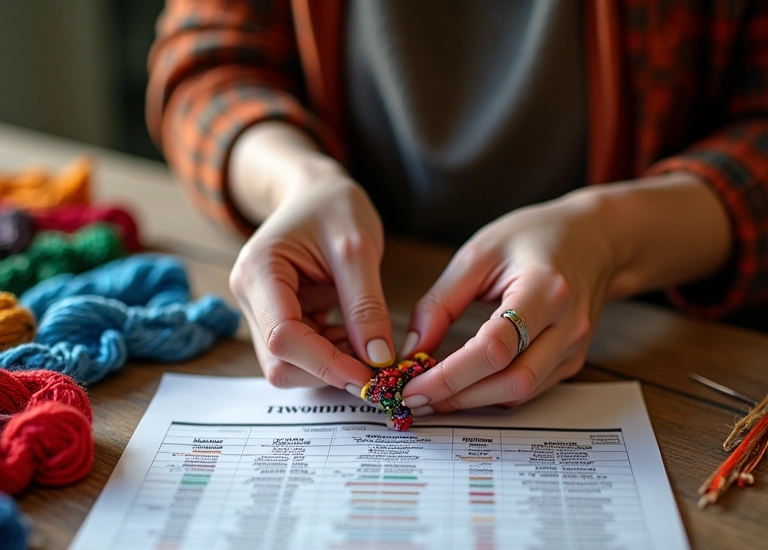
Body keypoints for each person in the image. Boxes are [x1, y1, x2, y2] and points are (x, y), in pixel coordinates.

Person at [147, 1, 768, 418]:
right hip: (360, 289)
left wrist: (611, 236)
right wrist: (296, 179)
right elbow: (206, 64)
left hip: (663, 331)